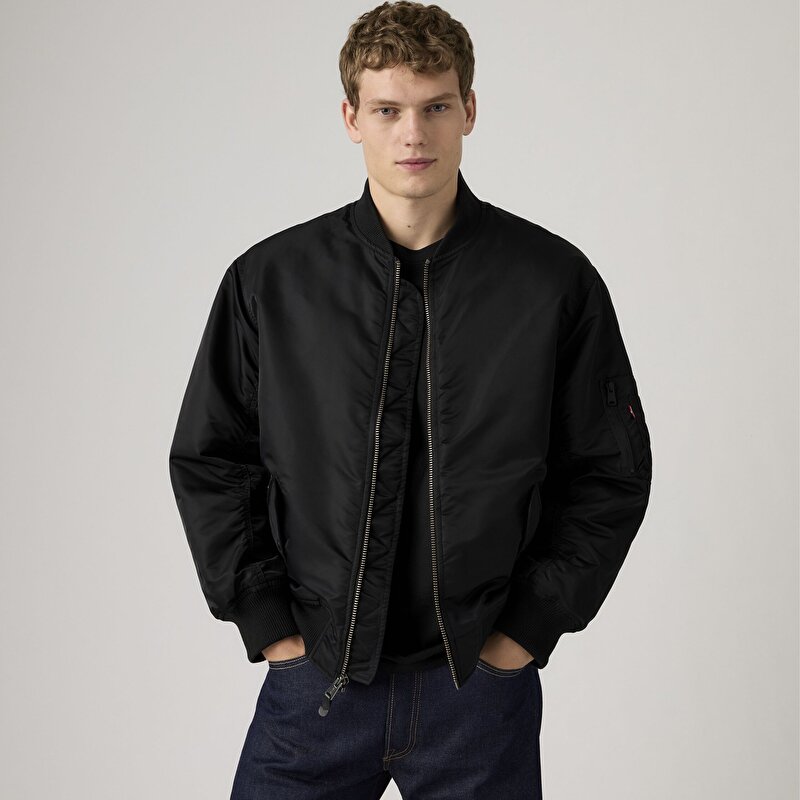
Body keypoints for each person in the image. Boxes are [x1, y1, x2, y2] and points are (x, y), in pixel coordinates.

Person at [168, 2, 653, 798]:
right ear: (351, 118)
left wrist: (523, 634)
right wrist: (271, 626)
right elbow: (213, 458)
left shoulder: (551, 282)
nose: (413, 134)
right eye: (388, 109)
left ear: (470, 110)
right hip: (316, 687)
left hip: (477, 693)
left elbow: (609, 472)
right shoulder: (272, 283)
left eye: (435, 107)